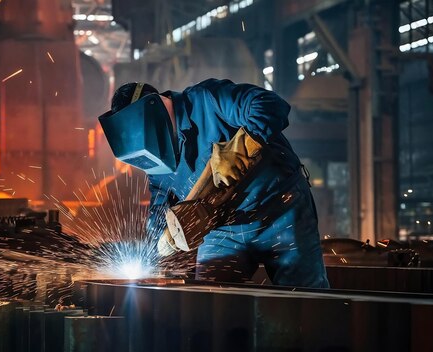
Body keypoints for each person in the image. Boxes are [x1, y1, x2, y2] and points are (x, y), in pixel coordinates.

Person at [98, 79, 329, 288]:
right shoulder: (156, 160)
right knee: (212, 304)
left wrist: (242, 145)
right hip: (223, 229)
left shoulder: (207, 100)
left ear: (154, 106)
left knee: (306, 298)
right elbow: (160, 202)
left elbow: (270, 104)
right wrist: (159, 239)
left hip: (280, 212)